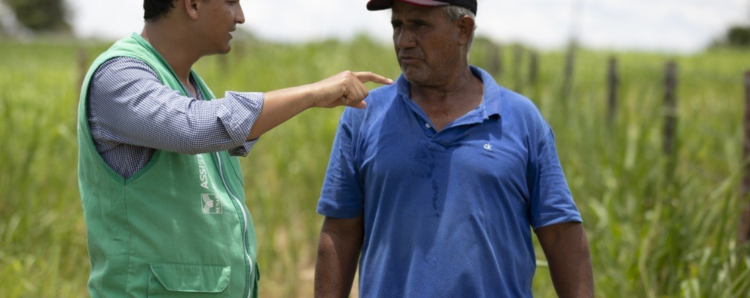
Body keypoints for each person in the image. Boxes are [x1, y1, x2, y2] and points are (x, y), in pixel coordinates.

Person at [76, 0, 392, 297]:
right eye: (230, 2)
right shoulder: (117, 76)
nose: (240, 16)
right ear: (193, 4)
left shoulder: (193, 86)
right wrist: (312, 93)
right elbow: (194, 127)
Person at [314, 0, 594, 297]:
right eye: (397, 25)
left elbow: (562, 234)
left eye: (419, 25)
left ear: (463, 29)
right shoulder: (365, 114)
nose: (403, 41)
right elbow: (341, 233)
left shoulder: (521, 120)